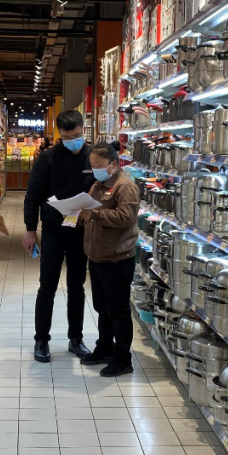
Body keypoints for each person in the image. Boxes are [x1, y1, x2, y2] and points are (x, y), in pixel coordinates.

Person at [23, 110, 94, 363]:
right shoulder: (47, 158)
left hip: (80, 231)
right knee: (47, 286)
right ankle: (41, 340)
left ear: (83, 130)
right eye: (67, 137)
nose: (73, 141)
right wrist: (30, 229)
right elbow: (32, 195)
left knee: (77, 286)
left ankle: (76, 338)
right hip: (53, 230)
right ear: (59, 134)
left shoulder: (92, 156)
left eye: (77, 135)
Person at [78, 141, 140, 377]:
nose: (95, 169)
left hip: (117, 258)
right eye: (92, 165)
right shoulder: (99, 184)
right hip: (97, 256)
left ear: (113, 164)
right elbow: (89, 210)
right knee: (102, 307)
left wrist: (95, 215)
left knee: (118, 310)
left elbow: (126, 217)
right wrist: (76, 213)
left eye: (99, 165)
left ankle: (123, 359)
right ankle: (104, 347)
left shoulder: (125, 186)